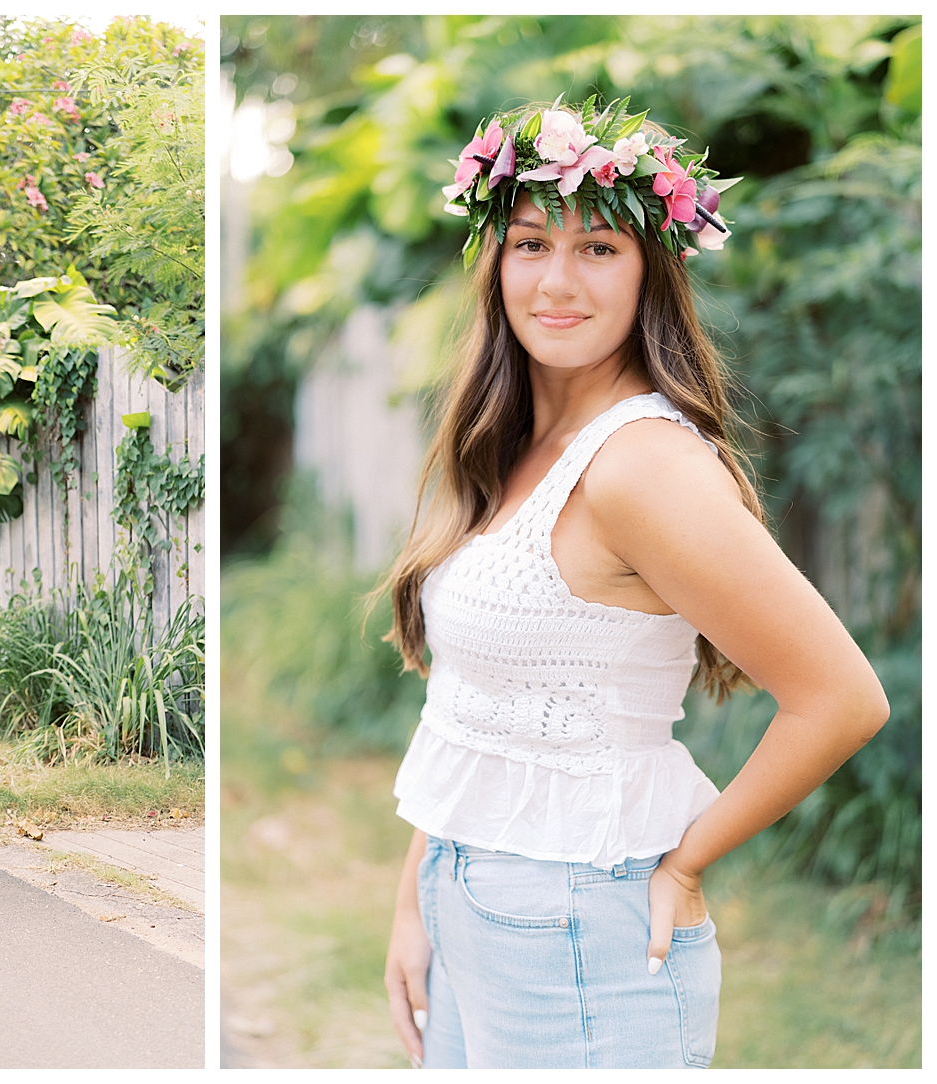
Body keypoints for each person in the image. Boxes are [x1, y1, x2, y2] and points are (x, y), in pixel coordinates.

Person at [379, 98, 889, 1068]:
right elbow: (471, 710)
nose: (556, 282)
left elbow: (840, 699)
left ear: (651, 271)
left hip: (581, 927)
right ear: (493, 263)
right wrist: (419, 897)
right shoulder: (520, 446)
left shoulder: (641, 464)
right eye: (530, 244)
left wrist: (687, 862)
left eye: (599, 249)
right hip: (470, 896)